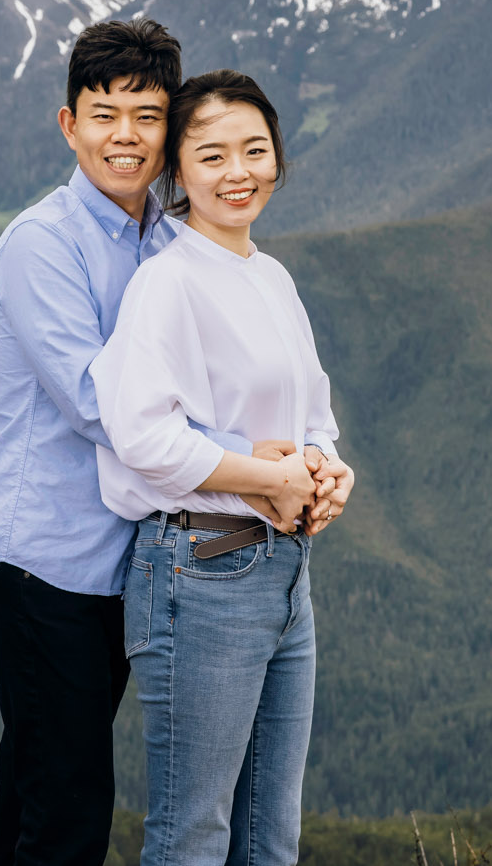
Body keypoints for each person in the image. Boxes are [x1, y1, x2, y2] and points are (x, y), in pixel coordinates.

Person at [0, 21, 355, 866]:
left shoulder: (167, 240)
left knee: (35, 797)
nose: (125, 137)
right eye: (104, 116)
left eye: (146, 117)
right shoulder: (42, 244)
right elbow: (105, 408)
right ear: (69, 125)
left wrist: (304, 466)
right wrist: (265, 473)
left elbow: (243, 384)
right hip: (43, 559)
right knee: (65, 808)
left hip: (133, 559)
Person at [92, 68, 355, 866]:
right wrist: (265, 476)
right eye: (212, 157)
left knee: (271, 837)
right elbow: (142, 438)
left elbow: (312, 412)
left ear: (279, 159)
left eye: (254, 151)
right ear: (179, 172)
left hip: (283, 571)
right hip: (198, 571)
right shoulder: (166, 284)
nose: (237, 172)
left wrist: (327, 469)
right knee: (193, 833)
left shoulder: (270, 277)